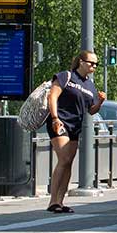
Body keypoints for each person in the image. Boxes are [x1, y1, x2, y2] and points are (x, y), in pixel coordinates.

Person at [44, 51, 104, 214]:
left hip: (75, 126)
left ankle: (60, 201)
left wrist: (100, 101)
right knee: (63, 159)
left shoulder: (90, 85)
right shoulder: (66, 76)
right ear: (81, 62)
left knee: (69, 162)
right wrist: (55, 118)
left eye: (96, 64)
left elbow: (91, 111)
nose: (94, 66)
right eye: (91, 63)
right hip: (60, 121)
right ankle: (53, 201)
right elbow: (53, 97)